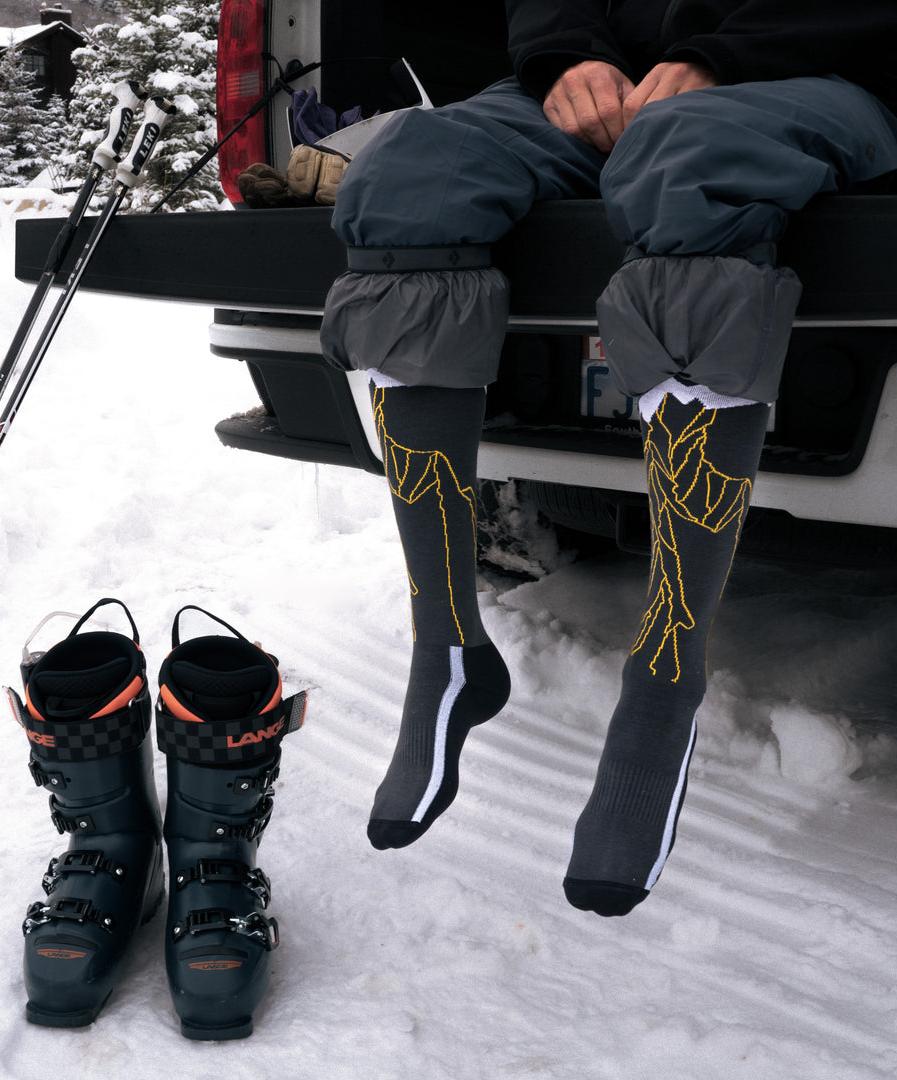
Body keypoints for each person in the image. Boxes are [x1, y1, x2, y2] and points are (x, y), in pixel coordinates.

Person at [317, 0, 897, 917]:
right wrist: (566, 61)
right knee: (408, 171)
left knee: (690, 155)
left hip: (815, 74)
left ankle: (665, 677)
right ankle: (450, 647)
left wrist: (720, 55)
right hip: (607, 89)